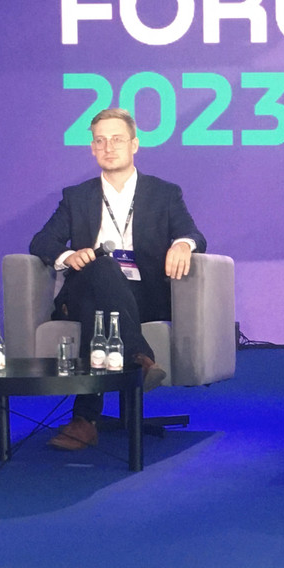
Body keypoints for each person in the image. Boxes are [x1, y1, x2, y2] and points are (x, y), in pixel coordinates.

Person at [30, 108, 207, 451]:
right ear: (92, 149)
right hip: (85, 284)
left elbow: (193, 233)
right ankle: (139, 355)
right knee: (102, 267)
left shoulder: (164, 193)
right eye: (100, 141)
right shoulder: (76, 196)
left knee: (98, 307)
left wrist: (183, 244)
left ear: (134, 144)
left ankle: (85, 419)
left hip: (143, 295)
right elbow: (42, 242)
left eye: (117, 139)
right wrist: (69, 256)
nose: (108, 147)